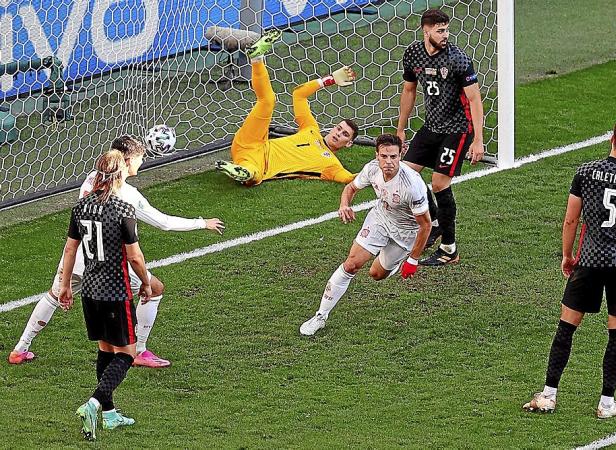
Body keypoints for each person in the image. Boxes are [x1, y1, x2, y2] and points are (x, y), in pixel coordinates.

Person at [8, 136, 225, 368]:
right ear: (128, 160)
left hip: (78, 257)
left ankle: (20, 349)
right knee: (155, 289)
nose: (142, 164)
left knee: (54, 296)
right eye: (140, 159)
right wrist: (202, 223)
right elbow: (163, 223)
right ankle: (138, 351)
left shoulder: (92, 178)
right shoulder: (127, 196)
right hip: (106, 264)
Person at [523, 118, 616, 419]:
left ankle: (548, 395)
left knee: (567, 326)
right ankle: (606, 403)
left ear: (612, 138)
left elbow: (571, 219)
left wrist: (567, 255)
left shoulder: (585, 172)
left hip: (589, 259)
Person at [58, 150, 151, 440]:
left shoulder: (81, 207)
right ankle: (94, 404)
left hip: (90, 290)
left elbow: (71, 249)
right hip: (115, 292)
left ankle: (109, 415)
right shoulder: (123, 210)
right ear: (120, 174)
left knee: (105, 350)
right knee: (127, 354)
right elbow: (134, 257)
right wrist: (146, 282)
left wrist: (64, 285)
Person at [300, 134, 432, 336]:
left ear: (400, 155)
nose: (389, 162)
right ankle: (320, 316)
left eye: (393, 157)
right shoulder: (371, 169)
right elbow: (350, 188)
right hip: (380, 218)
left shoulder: (412, 186)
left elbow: (426, 225)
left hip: (405, 232)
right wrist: (345, 204)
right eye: (384, 156)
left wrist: (413, 260)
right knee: (351, 264)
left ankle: (393, 263)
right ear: (377, 155)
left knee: (376, 275)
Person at [396, 9, 485, 266]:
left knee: (438, 183)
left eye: (447, 30)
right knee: (407, 174)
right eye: (440, 30)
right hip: (431, 126)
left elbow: (474, 99)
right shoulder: (413, 53)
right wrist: (401, 130)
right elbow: (409, 90)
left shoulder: (457, 59)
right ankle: (434, 221)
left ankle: (449, 249)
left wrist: (478, 139)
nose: (445, 35)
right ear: (426, 31)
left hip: (458, 129)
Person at [215, 29, 359, 186]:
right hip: (253, 141)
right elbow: (299, 94)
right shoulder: (311, 129)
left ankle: (242, 172)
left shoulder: (331, 165)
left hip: (260, 164)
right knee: (268, 100)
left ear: (349, 143)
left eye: (345, 134)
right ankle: (256, 57)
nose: (338, 133)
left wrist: (382, 169)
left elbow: (349, 179)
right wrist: (329, 80)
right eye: (339, 128)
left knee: (254, 173)